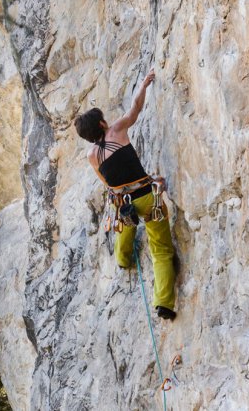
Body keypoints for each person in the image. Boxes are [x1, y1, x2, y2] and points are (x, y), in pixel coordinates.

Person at [73, 68, 177, 320]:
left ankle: (123, 258)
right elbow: (135, 110)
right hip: (147, 197)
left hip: (125, 203)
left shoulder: (92, 157)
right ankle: (163, 302)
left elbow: (110, 185)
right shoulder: (116, 131)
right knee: (161, 249)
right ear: (101, 124)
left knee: (126, 224)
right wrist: (143, 85)